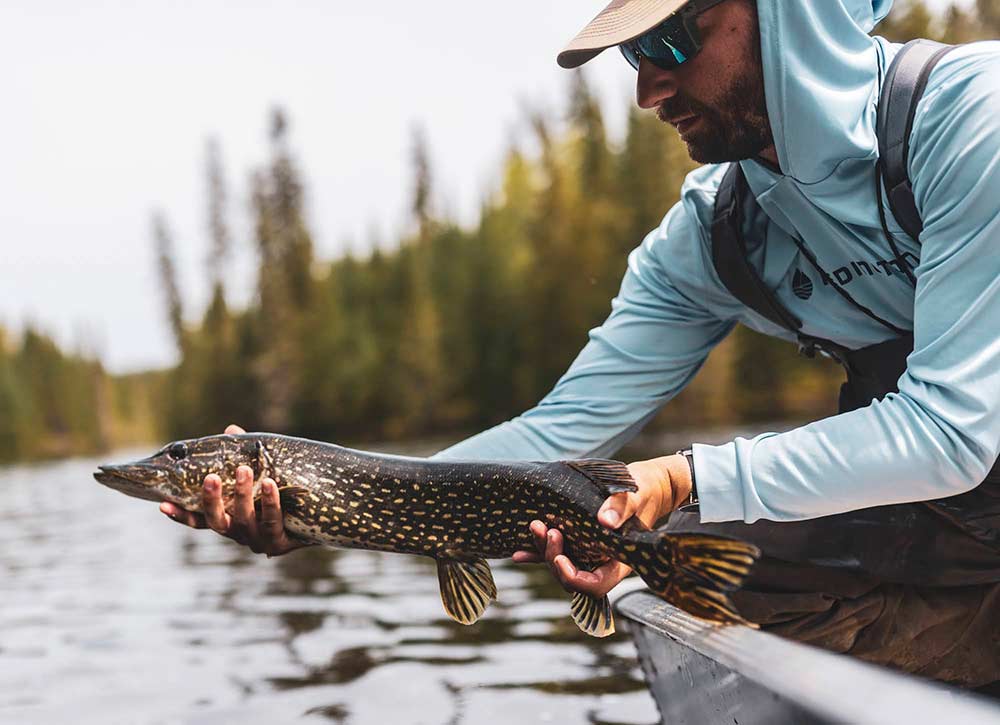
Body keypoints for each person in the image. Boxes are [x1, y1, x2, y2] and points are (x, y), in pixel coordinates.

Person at [161, 0, 1000, 689]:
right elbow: (559, 435)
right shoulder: (712, 240)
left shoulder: (970, 117)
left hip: (960, 470)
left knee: (699, 511)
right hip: (952, 519)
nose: (647, 89)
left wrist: (680, 473)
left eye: (670, 39)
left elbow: (954, 431)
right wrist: (314, 501)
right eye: (633, 54)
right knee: (684, 555)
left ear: (786, 17)